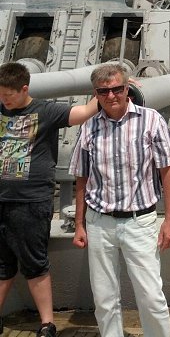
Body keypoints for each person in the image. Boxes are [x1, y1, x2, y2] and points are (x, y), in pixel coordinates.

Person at [69, 63, 170, 337]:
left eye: (117, 89)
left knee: (151, 296)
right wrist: (80, 224)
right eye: (103, 91)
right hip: (99, 222)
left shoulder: (151, 120)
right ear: (95, 94)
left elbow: (167, 172)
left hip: (139, 221)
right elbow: (82, 177)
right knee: (104, 299)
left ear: (127, 88)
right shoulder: (89, 127)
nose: (111, 96)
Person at [0, 61, 100, 337]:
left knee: (35, 264)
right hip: (1, 200)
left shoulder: (45, 111)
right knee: (2, 265)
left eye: (8, 95)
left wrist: (108, 89)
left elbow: (84, 113)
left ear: (24, 89)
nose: (4, 100)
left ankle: (47, 323)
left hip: (31, 202)